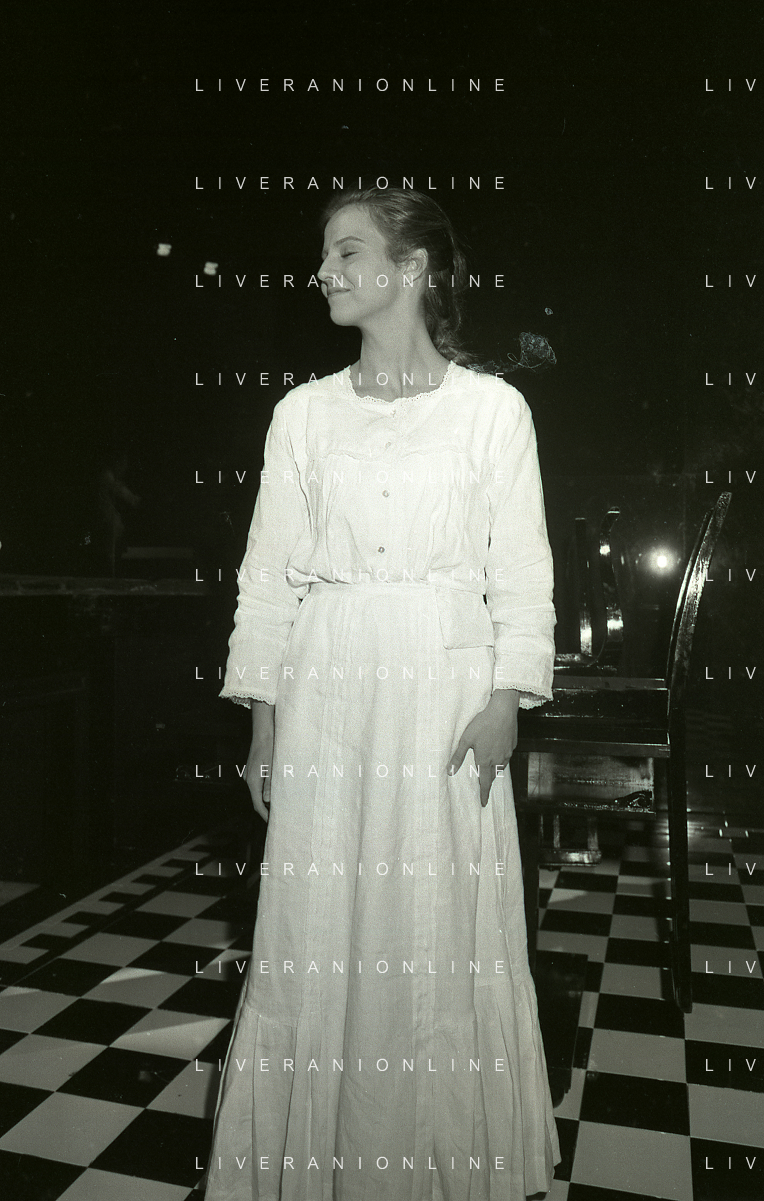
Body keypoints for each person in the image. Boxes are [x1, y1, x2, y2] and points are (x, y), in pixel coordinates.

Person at [205, 187, 561, 1200]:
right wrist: (264, 721)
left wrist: (507, 698)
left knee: (433, 922)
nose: (323, 271)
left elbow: (521, 573)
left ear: (410, 268)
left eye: (346, 251)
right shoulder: (301, 414)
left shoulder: (493, 411)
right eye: (324, 253)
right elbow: (267, 580)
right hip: (326, 690)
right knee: (318, 921)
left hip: (445, 695)